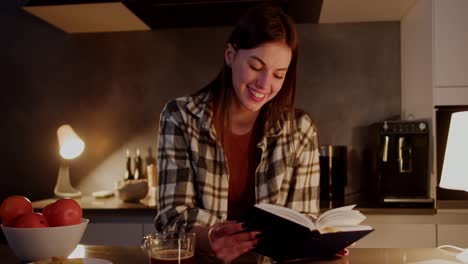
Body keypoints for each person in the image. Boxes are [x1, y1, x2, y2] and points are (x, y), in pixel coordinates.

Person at [155, 3, 320, 263]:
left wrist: (318, 243)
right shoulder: (180, 117)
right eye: (255, 67)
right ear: (230, 55)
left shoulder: (300, 129)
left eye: (278, 75)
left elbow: (304, 220)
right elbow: (172, 219)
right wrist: (210, 237)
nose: (265, 85)